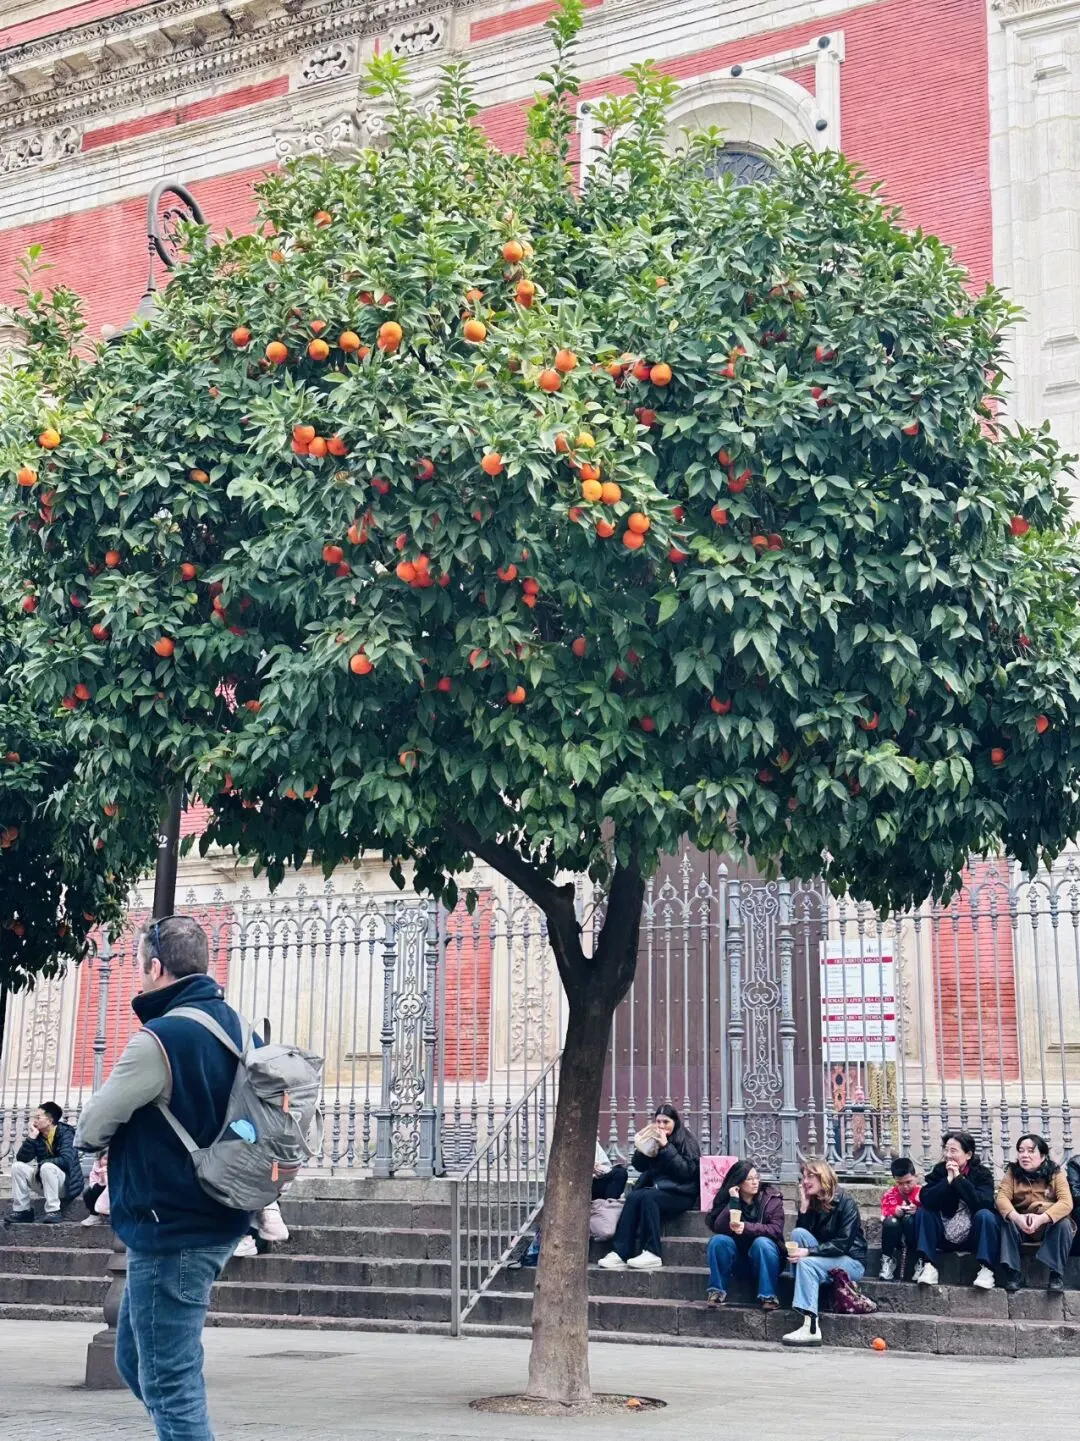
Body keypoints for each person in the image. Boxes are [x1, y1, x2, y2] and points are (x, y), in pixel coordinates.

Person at [75, 914, 254, 1441]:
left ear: (156, 967)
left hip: (170, 1226)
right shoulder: (242, 1031)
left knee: (171, 1382)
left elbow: (91, 1125)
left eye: (139, 969)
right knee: (135, 1360)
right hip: (220, 1215)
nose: (138, 980)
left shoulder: (160, 1038)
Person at [597, 1104, 700, 1272]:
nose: (661, 1126)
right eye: (658, 1122)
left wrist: (667, 1148)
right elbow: (639, 1166)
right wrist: (643, 1147)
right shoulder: (655, 1138)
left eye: (665, 1122)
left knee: (648, 1197)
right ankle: (620, 1253)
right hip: (658, 1190)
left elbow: (686, 1172)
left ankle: (652, 1252)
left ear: (675, 1122)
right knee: (634, 1196)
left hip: (682, 1193)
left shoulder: (686, 1141)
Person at [781, 1158, 867, 1347]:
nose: (805, 1181)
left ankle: (811, 1327)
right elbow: (803, 1239)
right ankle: (807, 1293)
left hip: (851, 1261)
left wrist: (809, 1253)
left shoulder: (846, 1202)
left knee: (806, 1262)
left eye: (810, 1176)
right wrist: (803, 1208)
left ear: (824, 1177)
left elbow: (843, 1244)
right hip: (827, 1258)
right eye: (804, 1176)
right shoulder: (813, 1203)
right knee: (798, 1233)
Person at [914, 1130, 1000, 1289]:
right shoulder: (940, 1171)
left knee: (986, 1215)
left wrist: (959, 1179)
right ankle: (929, 1265)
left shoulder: (982, 1174)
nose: (948, 1155)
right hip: (943, 1232)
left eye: (953, 1151)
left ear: (968, 1155)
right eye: (946, 1150)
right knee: (924, 1212)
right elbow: (925, 1198)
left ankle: (986, 1269)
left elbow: (983, 1202)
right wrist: (947, 1180)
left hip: (971, 1235)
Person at [996, 1133, 1076, 1295]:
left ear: (1043, 1156)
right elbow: (1001, 1198)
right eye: (1021, 1150)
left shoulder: (1056, 1173)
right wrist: (1017, 1218)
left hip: (1046, 1224)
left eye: (1031, 1151)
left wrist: (1041, 1218)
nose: (1024, 1155)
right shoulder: (1012, 1172)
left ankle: (1056, 1274)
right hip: (1020, 1224)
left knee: (1064, 1223)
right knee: (1006, 1221)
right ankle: (1013, 1273)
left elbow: (1066, 1203)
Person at [705, 1159, 785, 1310]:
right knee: (718, 1241)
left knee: (761, 1243)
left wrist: (747, 1227)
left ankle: (768, 1296)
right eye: (749, 1179)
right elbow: (718, 1227)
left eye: (756, 1177)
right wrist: (733, 1201)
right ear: (739, 1182)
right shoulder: (730, 1199)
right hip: (739, 1261)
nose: (755, 1182)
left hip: (766, 1259)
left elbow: (776, 1229)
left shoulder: (771, 1199)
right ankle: (716, 1292)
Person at [7, 1102, 83, 1224]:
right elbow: (22, 1158)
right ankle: (23, 1211)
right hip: (45, 1182)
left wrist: (42, 1164)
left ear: (50, 1120)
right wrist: (31, 1137)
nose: (34, 1120)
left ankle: (53, 1211)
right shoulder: (38, 1136)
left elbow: (66, 1160)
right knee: (17, 1167)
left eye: (38, 1117)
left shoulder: (66, 1133)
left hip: (67, 1185)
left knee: (47, 1166)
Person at [878, 1156, 921, 1281]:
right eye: (900, 1183)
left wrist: (917, 1211)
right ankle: (887, 1260)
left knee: (910, 1219)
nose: (905, 1187)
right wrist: (894, 1211)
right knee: (890, 1222)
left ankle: (920, 1261)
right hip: (895, 1233)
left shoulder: (921, 1193)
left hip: (913, 1234)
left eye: (908, 1182)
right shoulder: (890, 1194)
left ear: (915, 1177)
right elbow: (884, 1211)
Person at [82, 1152, 110, 1228]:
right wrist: (102, 1180)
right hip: (100, 1194)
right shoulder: (95, 1170)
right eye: (106, 1159)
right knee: (87, 1192)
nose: (108, 1162)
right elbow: (93, 1185)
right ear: (99, 1159)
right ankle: (94, 1215)